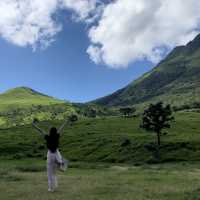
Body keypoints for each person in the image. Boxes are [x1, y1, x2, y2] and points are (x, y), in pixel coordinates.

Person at [32, 118, 68, 192]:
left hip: (50, 154)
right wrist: (66, 121)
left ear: (50, 132)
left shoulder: (48, 137)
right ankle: (61, 165)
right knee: (55, 171)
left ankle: (51, 188)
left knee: (50, 173)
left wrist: (34, 125)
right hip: (57, 153)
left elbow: (40, 130)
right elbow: (61, 128)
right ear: (55, 132)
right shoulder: (57, 136)